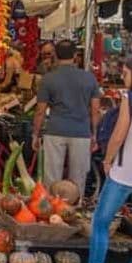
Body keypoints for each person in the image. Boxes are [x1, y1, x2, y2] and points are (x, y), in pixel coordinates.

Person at [62, 56, 132, 263]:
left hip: (125, 170)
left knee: (100, 221)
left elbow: (120, 133)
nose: (123, 78)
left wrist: (109, 158)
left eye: (125, 73)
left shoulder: (129, 99)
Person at [32, 40, 101, 195]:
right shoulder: (89, 78)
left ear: (55, 55)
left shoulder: (48, 79)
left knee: (51, 178)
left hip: (55, 131)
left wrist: (35, 134)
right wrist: (94, 134)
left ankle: (50, 211)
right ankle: (75, 210)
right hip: (81, 132)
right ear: (76, 56)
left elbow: (40, 111)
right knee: (78, 179)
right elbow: (95, 110)